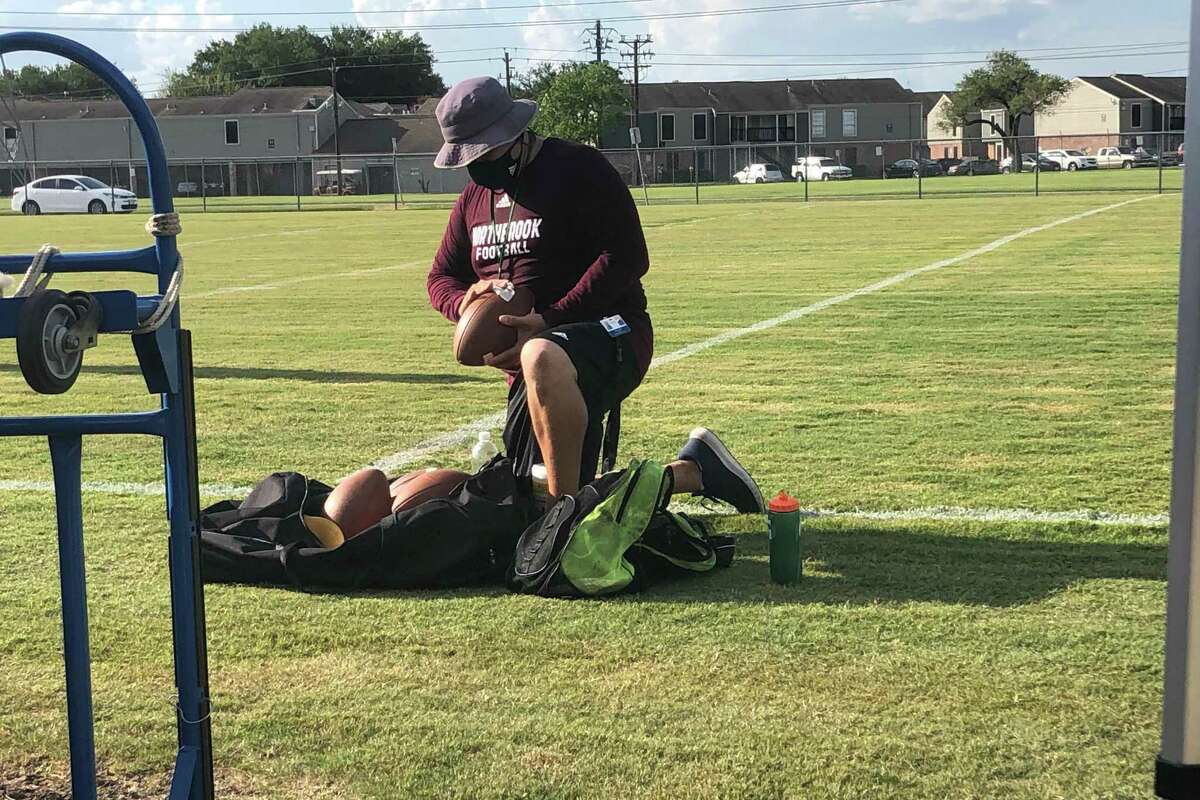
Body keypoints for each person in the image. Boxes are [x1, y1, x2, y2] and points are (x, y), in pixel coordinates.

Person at [420, 76, 764, 511]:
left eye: (485, 150)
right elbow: (440, 278)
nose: (480, 163)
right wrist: (467, 298)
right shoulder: (474, 197)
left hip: (609, 332)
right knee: (529, 497)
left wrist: (549, 319)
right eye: (470, 155)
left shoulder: (577, 168)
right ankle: (692, 471)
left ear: (514, 132)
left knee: (541, 360)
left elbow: (627, 255)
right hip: (532, 375)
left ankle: (559, 528)